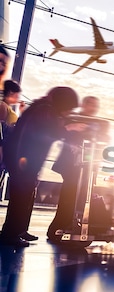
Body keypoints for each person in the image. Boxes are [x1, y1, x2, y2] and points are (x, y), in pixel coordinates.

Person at [0, 87, 86, 247]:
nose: (68, 111)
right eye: (69, 107)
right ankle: (10, 234)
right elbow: (47, 132)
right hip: (23, 159)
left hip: (24, 159)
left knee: (25, 196)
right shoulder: (44, 110)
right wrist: (69, 129)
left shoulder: (43, 107)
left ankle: (18, 230)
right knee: (21, 197)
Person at [47, 96, 103, 242]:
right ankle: (58, 228)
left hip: (85, 166)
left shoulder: (93, 122)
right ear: (84, 104)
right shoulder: (74, 119)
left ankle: (68, 226)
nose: (94, 108)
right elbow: (64, 136)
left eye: (96, 106)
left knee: (79, 197)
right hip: (72, 165)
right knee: (69, 196)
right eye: (92, 105)